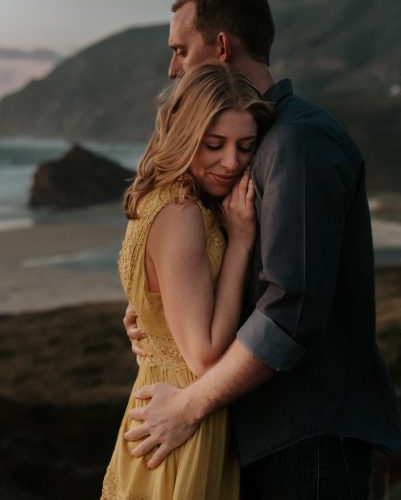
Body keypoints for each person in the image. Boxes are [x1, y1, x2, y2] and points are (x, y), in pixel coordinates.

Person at [122, 0, 401, 499]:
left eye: (181, 50)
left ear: (221, 47)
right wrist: (155, 313)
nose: (173, 68)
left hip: (307, 431)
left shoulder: (296, 140)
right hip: (264, 432)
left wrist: (192, 404)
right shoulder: (252, 145)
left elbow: (290, 310)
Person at [102, 62, 273, 499]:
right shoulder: (180, 213)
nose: (231, 162)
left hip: (163, 405)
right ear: (184, 135)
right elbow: (205, 357)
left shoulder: (168, 199)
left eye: (246, 146)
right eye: (214, 144)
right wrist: (240, 243)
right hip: (179, 418)